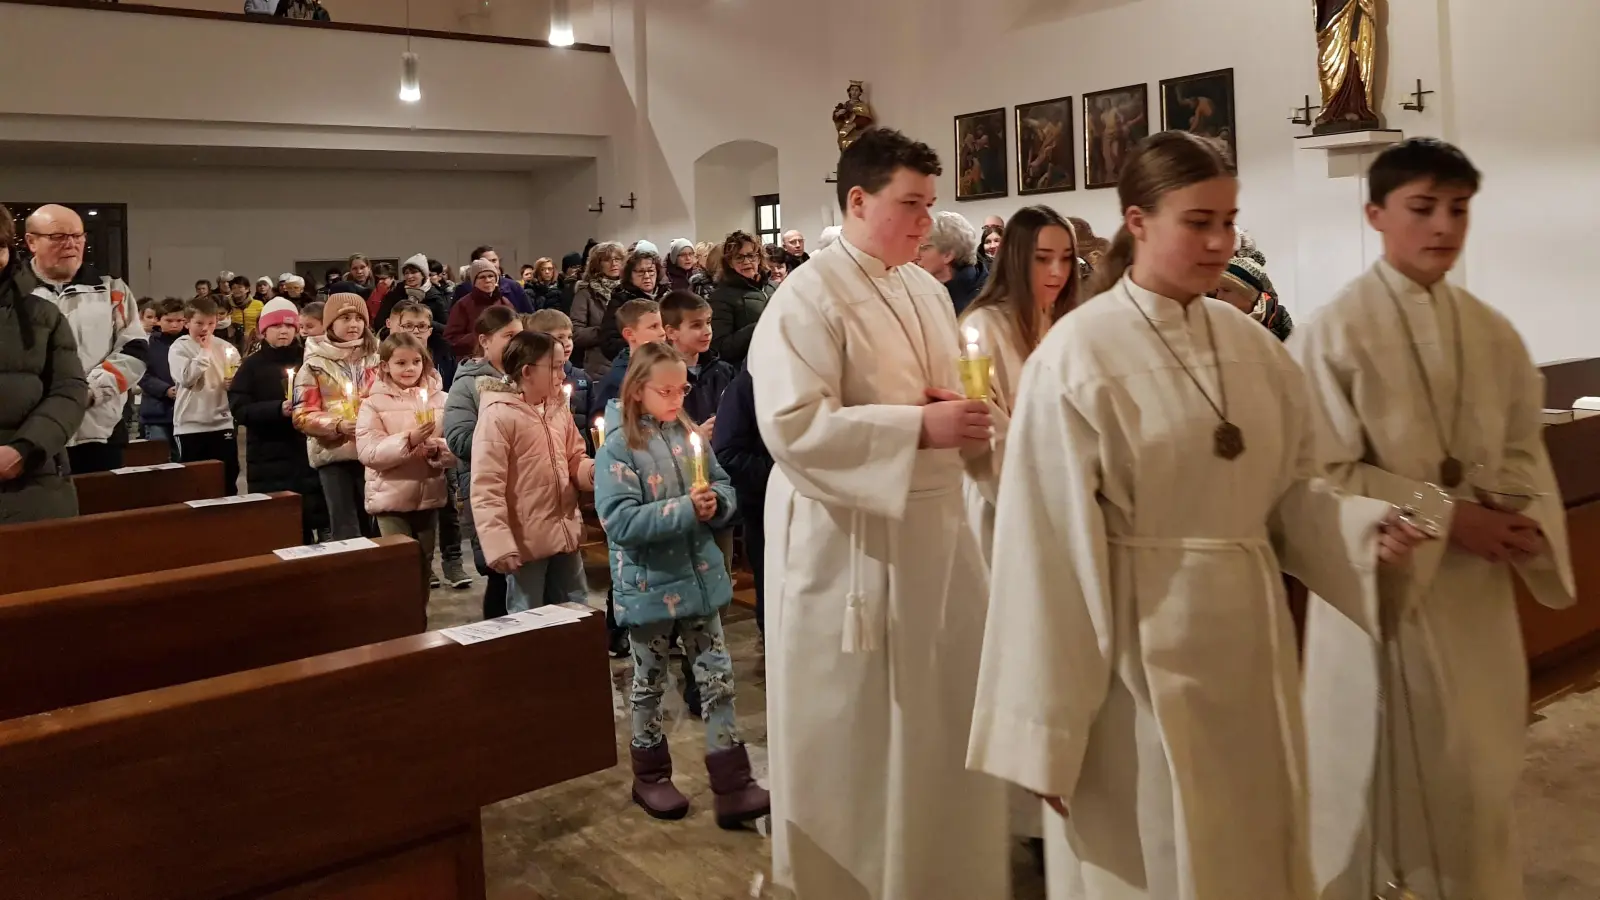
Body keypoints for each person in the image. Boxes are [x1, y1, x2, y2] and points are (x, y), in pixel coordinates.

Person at [966, 131, 1425, 900]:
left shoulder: (1256, 348)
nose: (1220, 242)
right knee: (1155, 859)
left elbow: (1288, 491)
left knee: (1253, 854)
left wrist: (1360, 529)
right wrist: (1048, 734)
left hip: (1250, 648)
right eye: (1198, 221)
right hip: (1133, 657)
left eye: (1229, 221)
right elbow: (1042, 554)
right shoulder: (1077, 356)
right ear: (1138, 222)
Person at [1292, 138, 1573, 900]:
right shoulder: (1333, 333)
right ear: (1377, 215)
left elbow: (1522, 447)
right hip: (1384, 588)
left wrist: (1515, 512)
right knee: (1385, 787)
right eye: (1423, 208)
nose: (1443, 225)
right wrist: (1448, 519)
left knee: (1477, 778)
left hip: (1473, 600)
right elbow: (1322, 474)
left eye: (1458, 209)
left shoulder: (1493, 333)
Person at [748, 126, 1006, 899]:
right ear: (857, 200)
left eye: (931, 206)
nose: (926, 224)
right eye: (911, 205)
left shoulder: (924, 287)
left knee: (934, 723)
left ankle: (935, 875)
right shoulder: (806, 297)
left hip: (932, 530)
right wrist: (916, 428)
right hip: (848, 547)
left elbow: (940, 390)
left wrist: (957, 409)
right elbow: (792, 428)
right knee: (859, 737)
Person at [594, 341, 768, 827]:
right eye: (665, 391)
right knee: (649, 684)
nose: (676, 399)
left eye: (681, 389)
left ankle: (733, 784)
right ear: (637, 391)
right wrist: (685, 510)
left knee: (718, 682)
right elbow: (619, 522)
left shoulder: (688, 434)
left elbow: (722, 483)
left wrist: (718, 504)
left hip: (700, 580)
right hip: (650, 586)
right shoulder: (617, 448)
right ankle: (649, 775)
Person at [471, 330, 592, 611]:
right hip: (526, 542)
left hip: (564, 533)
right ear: (527, 371)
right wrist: (499, 543)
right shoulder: (499, 415)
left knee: (576, 608)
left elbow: (574, 456)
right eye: (556, 367)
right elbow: (486, 486)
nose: (563, 374)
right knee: (529, 615)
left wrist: (593, 472)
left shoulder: (557, 407)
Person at [25, 204, 147, 475]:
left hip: (98, 429)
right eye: (58, 236)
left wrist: (87, 392)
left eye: (77, 236)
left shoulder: (112, 288)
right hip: (29, 432)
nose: (71, 244)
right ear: (32, 242)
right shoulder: (13, 292)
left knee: (99, 512)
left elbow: (135, 350)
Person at [0, 204, 87, 524]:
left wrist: (25, 449)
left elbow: (69, 389)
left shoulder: (42, 315)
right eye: (59, 236)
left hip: (31, 484)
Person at [444, 306, 524, 620]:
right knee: (500, 577)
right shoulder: (468, 384)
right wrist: (512, 437)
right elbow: (459, 439)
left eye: (521, 335)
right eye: (509, 336)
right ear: (485, 341)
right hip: (489, 490)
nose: (517, 343)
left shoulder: (530, 376)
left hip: (528, 488)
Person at [357, 332, 452, 588]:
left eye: (416, 362)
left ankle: (420, 621)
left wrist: (438, 449)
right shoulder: (372, 404)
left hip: (428, 495)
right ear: (385, 365)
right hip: (390, 497)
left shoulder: (442, 400)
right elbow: (369, 452)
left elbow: (455, 447)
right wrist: (408, 440)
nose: (410, 368)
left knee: (423, 566)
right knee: (400, 567)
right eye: (401, 363)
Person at [388, 299, 470, 588]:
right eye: (408, 325)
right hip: (403, 445)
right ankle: (426, 567)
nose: (417, 331)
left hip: (438, 439)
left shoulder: (440, 358)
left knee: (447, 503)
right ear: (393, 325)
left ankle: (454, 560)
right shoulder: (388, 361)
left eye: (422, 326)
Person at [230, 298, 327, 543]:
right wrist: (276, 409)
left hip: (305, 450)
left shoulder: (310, 359)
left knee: (314, 513)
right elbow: (240, 408)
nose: (283, 331)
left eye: (289, 326)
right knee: (280, 526)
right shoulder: (252, 366)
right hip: (268, 453)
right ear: (263, 331)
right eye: (275, 327)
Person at [293, 293, 380, 540]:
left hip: (372, 451)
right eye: (345, 318)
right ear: (330, 323)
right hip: (334, 453)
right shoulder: (314, 364)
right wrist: (338, 425)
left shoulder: (377, 359)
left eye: (358, 318)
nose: (353, 324)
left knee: (375, 525)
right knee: (345, 526)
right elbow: (302, 414)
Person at [710, 366, 771, 634]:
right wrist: (786, 472)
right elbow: (729, 454)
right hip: (765, 509)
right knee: (773, 599)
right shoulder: (747, 385)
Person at [168, 295, 240, 494]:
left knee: (227, 479)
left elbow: (238, 377)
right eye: (199, 323)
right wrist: (205, 352)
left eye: (211, 323)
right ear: (187, 322)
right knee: (195, 483)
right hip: (191, 424)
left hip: (222, 422)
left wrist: (233, 382)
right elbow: (187, 378)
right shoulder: (179, 347)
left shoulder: (226, 348)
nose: (205, 329)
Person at [590, 298, 664, 420]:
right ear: (630, 334)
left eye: (661, 325)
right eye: (653, 327)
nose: (662, 332)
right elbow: (601, 424)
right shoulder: (618, 379)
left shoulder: (669, 368)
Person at [525, 308, 590, 440]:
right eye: (560, 337)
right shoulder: (532, 380)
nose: (567, 343)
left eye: (570, 337)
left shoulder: (582, 378)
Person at [1214, 234, 1293, 341]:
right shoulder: (1214, 317)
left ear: (1248, 294)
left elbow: (1294, 352)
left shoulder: (1276, 315)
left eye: (1226, 290)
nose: (1218, 297)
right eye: (1218, 290)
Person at [707, 231, 768, 368]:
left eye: (751, 256)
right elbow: (721, 348)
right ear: (729, 262)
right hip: (746, 372)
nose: (746, 262)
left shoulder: (773, 288)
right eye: (739, 257)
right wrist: (758, 327)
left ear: (759, 258)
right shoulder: (721, 296)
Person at [137, 297, 186, 459]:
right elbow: (141, 374)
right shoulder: (147, 344)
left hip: (185, 414)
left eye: (179, 320)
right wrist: (165, 389)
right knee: (158, 459)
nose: (174, 325)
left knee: (183, 460)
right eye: (169, 320)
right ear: (158, 320)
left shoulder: (189, 343)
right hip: (156, 412)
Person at [597, 249, 664, 362]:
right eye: (640, 272)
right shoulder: (620, 301)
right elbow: (609, 342)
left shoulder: (666, 295)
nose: (647, 276)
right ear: (630, 275)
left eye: (651, 270)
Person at [915, 210, 988, 315]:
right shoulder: (920, 288)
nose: (916, 255)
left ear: (948, 255)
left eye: (924, 248)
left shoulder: (985, 300)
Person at [571, 242, 626, 378]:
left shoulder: (629, 290)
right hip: (600, 366)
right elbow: (576, 333)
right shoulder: (586, 292)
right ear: (598, 264)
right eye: (607, 260)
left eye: (617, 259)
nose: (613, 263)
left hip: (631, 362)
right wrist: (606, 331)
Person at [444, 260, 514, 359]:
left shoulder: (504, 302)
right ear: (474, 281)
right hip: (474, 361)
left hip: (503, 359)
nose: (488, 280)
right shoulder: (463, 305)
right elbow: (451, 338)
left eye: (491, 276)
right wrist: (482, 339)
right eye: (482, 277)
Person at [450, 245, 533, 314]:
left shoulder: (514, 287)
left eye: (494, 260)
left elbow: (528, 315)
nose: (493, 265)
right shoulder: (464, 289)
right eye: (488, 261)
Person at [223, 275, 263, 353]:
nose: (237, 290)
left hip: (253, 341)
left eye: (240, 287)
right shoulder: (227, 304)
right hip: (233, 341)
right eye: (234, 288)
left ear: (247, 289)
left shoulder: (258, 304)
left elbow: (262, 322)